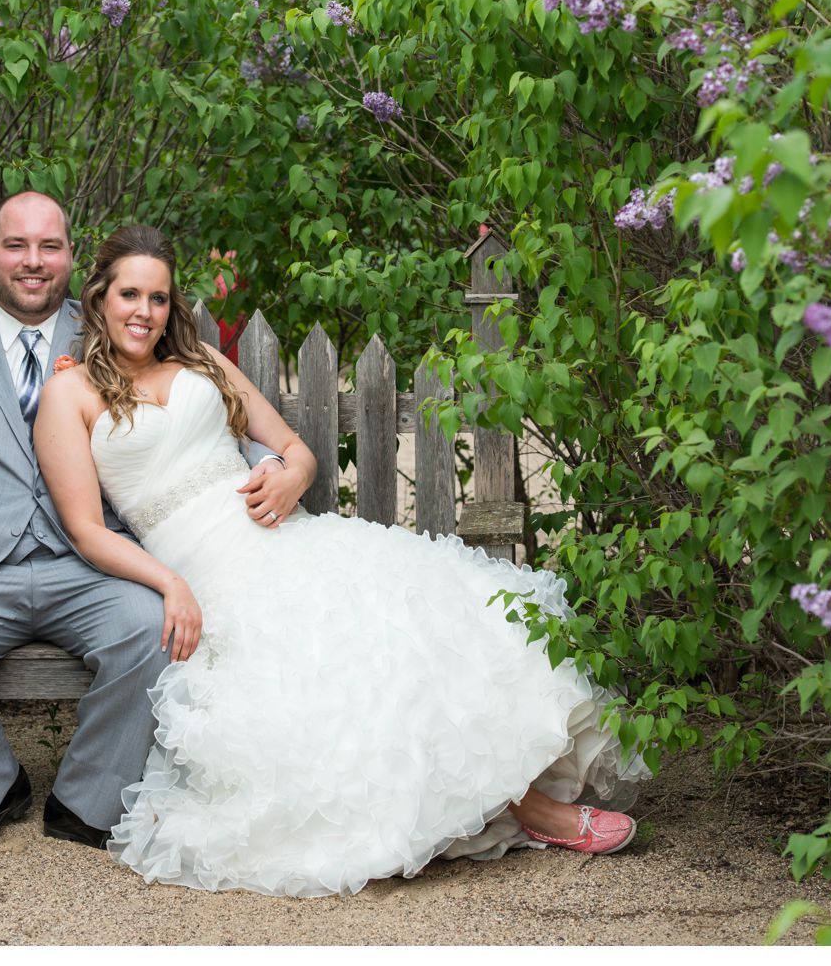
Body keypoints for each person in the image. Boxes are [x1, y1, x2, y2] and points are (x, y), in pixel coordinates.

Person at [33, 225, 653, 898]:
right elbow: (87, 529)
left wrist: (292, 477)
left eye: (157, 297)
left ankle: (517, 799)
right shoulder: (70, 396)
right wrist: (169, 584)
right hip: (208, 575)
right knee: (338, 671)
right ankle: (528, 810)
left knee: (420, 617)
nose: (143, 312)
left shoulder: (204, 363)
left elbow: (295, 449)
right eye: (129, 294)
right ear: (98, 296)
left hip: (290, 540)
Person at [0, 194, 288, 857]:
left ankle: (87, 801)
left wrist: (274, 465)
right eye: (16, 245)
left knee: (154, 631)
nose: (33, 262)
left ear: (71, 260)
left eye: (49, 247)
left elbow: (205, 409)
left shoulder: (113, 325)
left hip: (92, 561)